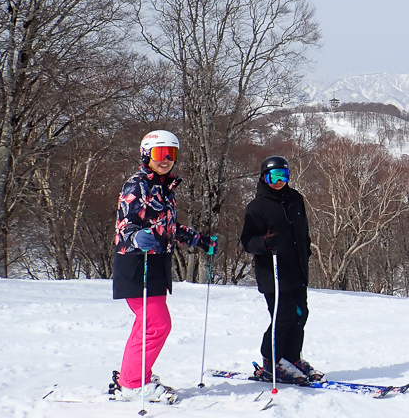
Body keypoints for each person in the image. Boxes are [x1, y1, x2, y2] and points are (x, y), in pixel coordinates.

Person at [111, 129, 218, 403]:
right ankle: (134, 383)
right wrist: (136, 236)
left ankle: (132, 376)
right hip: (136, 263)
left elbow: (168, 226)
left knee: (147, 323)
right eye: (160, 154)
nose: (166, 159)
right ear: (147, 155)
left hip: (156, 263)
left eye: (172, 154)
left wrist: (199, 240)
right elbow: (126, 225)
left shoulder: (163, 187)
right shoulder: (136, 185)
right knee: (156, 324)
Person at [240, 155, 324, 385]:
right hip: (274, 272)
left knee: (300, 315)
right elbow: (247, 242)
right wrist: (265, 243)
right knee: (282, 317)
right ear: (264, 177)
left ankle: (291, 357)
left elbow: (302, 232)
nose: (279, 181)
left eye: (283, 176)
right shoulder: (257, 206)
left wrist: (305, 252)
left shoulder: (295, 198)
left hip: (296, 270)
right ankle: (271, 361)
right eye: (273, 176)